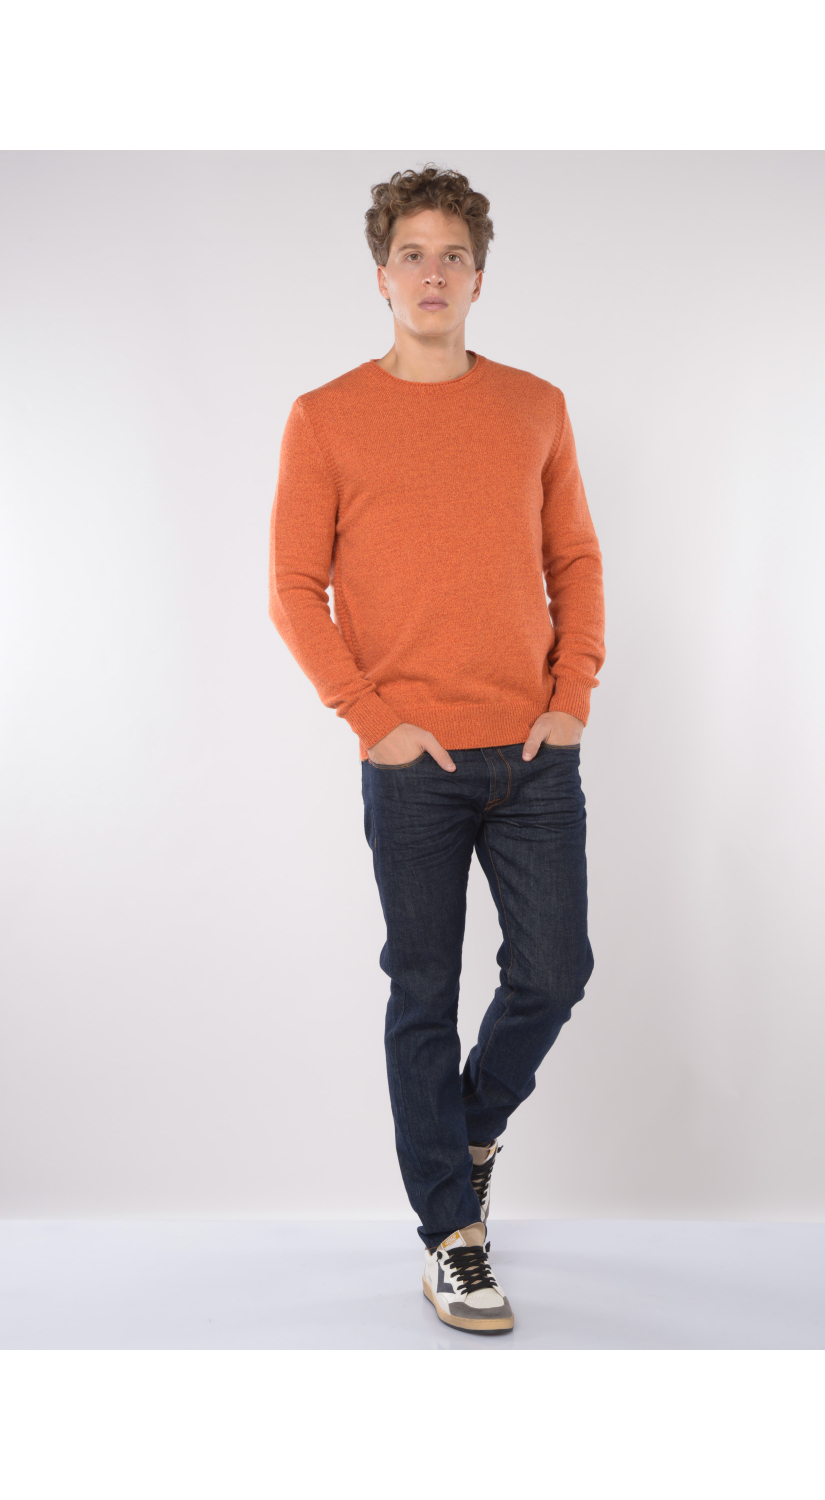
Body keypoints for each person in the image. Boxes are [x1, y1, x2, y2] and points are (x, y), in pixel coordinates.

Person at [268, 163, 605, 1334]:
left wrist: (572, 696)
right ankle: (452, 1239)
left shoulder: (535, 405)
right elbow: (293, 588)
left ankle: (462, 1138)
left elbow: (575, 560)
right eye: (410, 253)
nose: (432, 273)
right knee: (423, 989)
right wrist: (374, 721)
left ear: (478, 277)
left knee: (555, 970)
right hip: (412, 766)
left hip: (533, 752)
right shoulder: (324, 417)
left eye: (452, 255)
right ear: (381, 275)